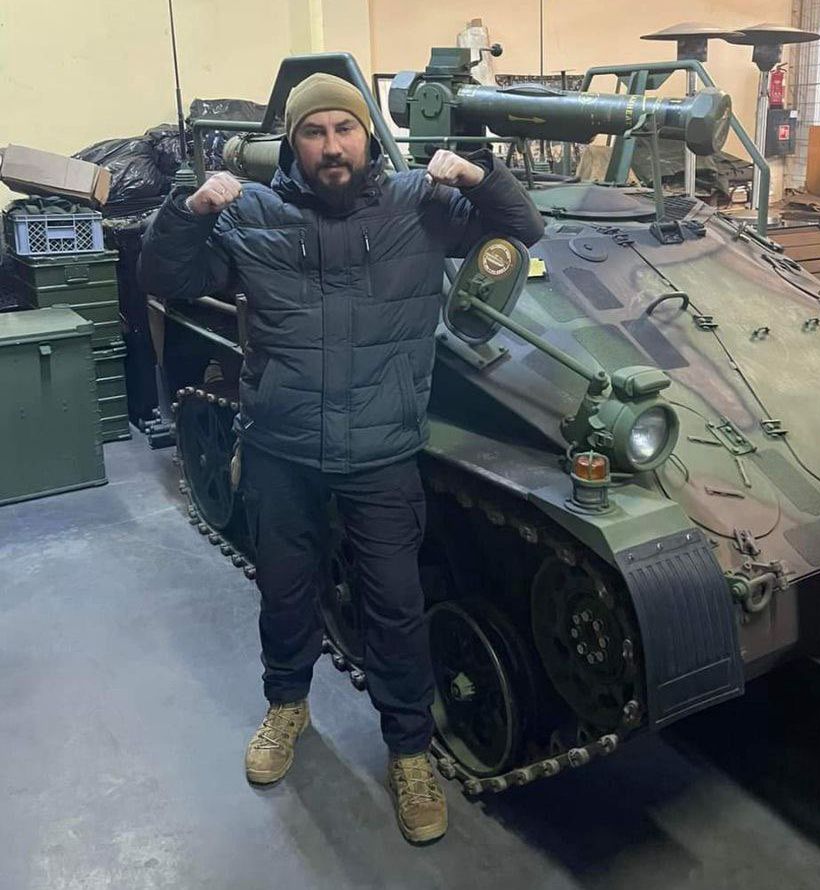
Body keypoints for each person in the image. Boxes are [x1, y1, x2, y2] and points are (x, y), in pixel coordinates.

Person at [139, 72, 544, 844]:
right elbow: (167, 278)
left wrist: (477, 173)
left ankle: (408, 752)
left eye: (344, 130)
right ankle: (285, 706)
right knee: (287, 593)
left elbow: (524, 229)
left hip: (379, 450)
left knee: (394, 607)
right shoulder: (251, 214)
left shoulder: (421, 208)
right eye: (315, 133)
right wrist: (188, 211)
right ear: (294, 144)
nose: (332, 147)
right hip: (281, 450)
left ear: (366, 137)